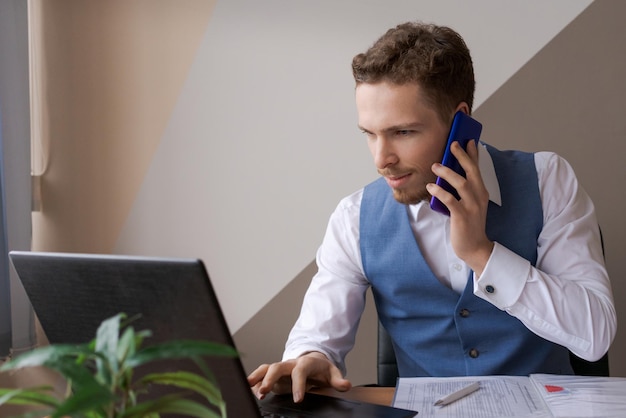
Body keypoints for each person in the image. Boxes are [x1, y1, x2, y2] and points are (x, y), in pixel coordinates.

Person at [248, 21, 617, 403]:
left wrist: (482, 254)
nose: (382, 159)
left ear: (460, 121)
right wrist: (311, 358)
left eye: (403, 132)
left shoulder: (547, 180)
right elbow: (316, 334)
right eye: (370, 134)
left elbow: (595, 337)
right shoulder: (353, 218)